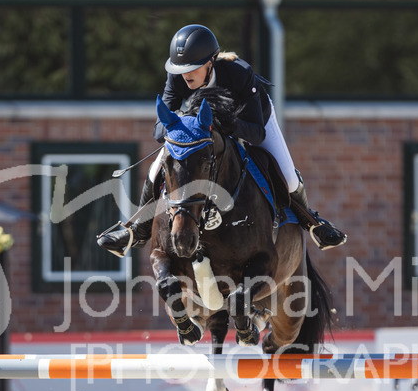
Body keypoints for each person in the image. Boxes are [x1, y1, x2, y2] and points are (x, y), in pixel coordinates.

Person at [97, 24, 346, 257]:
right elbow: (159, 130)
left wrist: (228, 124)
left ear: (210, 62)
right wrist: (181, 125)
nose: (185, 75)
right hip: (200, 127)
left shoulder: (239, 74)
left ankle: (312, 223)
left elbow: (257, 133)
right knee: (158, 165)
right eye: (180, 69)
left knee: (289, 178)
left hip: (251, 119)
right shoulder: (176, 77)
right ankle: (136, 230)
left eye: (193, 68)